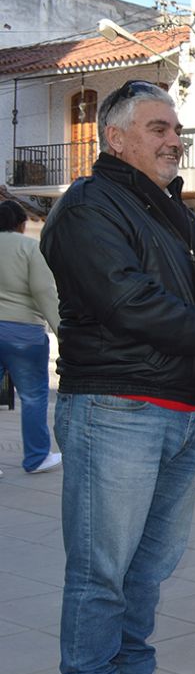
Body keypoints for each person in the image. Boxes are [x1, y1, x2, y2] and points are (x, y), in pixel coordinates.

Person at [41, 80, 195, 674]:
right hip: (116, 407)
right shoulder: (89, 206)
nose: (175, 140)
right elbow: (125, 298)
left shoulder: (168, 211)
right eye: (159, 128)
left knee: (148, 565)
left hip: (179, 407)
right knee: (102, 569)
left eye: (177, 130)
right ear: (115, 138)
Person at [0, 199, 62, 474]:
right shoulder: (29, 248)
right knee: (33, 396)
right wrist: (62, 331)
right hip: (23, 331)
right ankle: (36, 458)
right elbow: (43, 291)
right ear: (21, 224)